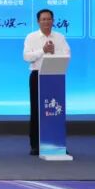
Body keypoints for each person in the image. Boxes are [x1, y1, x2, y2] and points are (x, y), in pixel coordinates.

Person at [23, 9, 71, 156]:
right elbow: (26, 57)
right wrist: (42, 50)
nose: (46, 22)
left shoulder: (60, 37)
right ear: (38, 21)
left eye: (49, 19)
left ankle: (57, 143)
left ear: (53, 21)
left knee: (56, 110)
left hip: (55, 76)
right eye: (43, 19)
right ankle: (36, 145)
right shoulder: (31, 37)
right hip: (37, 75)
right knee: (37, 110)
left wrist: (53, 52)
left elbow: (67, 55)